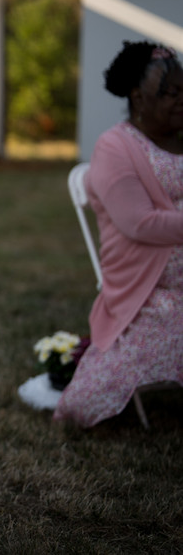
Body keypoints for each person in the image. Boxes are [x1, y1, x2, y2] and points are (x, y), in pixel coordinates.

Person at [54, 40, 183, 427]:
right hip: (149, 294)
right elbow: (139, 223)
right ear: (138, 97)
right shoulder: (115, 147)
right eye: (170, 93)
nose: (181, 100)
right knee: (85, 403)